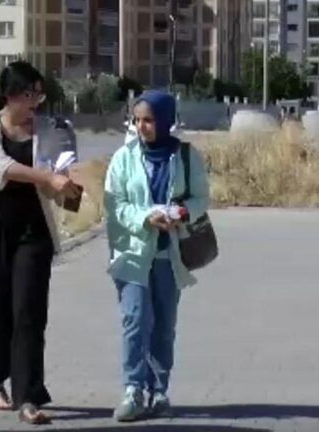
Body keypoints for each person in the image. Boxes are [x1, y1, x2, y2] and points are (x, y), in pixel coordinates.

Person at [0, 61, 81, 425]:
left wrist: (65, 183)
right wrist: (45, 176)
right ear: (10, 95)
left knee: (29, 311)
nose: (35, 102)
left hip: (33, 230)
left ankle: (29, 395)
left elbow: (59, 174)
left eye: (39, 94)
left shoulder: (49, 128)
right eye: (29, 94)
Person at [103, 90, 210, 422]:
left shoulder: (187, 156)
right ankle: (133, 390)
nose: (141, 126)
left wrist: (181, 212)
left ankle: (158, 391)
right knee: (135, 321)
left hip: (169, 254)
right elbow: (115, 204)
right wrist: (144, 218)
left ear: (165, 121)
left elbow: (201, 199)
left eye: (148, 120)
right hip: (133, 253)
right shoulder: (124, 157)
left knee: (163, 326)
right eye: (137, 120)